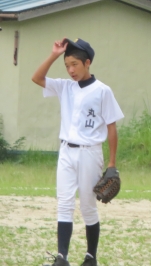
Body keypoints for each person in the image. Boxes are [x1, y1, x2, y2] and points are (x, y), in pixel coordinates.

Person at [31, 38, 124, 266]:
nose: (70, 70)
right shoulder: (65, 87)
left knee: (87, 206)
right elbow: (37, 78)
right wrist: (54, 55)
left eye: (75, 64)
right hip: (66, 151)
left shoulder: (102, 91)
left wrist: (112, 164)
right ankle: (62, 257)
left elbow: (111, 128)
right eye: (67, 66)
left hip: (89, 153)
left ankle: (91, 257)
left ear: (87, 63)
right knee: (64, 204)